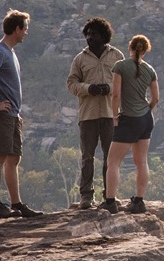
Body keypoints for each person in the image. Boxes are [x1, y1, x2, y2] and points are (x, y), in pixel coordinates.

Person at [0, 9, 40, 218]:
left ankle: (16, 204)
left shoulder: (10, 52)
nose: (26, 33)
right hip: (1, 114)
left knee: (13, 158)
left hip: (12, 114)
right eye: (25, 29)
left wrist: (15, 111)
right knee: (0, 156)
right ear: (17, 29)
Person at [67, 17, 124, 212]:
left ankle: (110, 196)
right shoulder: (80, 59)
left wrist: (108, 88)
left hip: (111, 114)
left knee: (111, 157)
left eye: (95, 34)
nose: (90, 37)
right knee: (87, 157)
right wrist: (88, 88)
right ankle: (86, 196)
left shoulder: (116, 56)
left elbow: (125, 83)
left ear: (104, 36)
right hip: (88, 115)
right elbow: (71, 84)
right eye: (88, 34)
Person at [108, 33, 159, 212]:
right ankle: (139, 201)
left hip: (128, 118)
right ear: (146, 50)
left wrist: (115, 117)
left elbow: (116, 95)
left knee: (113, 160)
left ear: (130, 47)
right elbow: (156, 98)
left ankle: (110, 202)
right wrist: (146, 111)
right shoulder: (150, 70)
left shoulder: (120, 66)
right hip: (145, 118)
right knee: (142, 161)